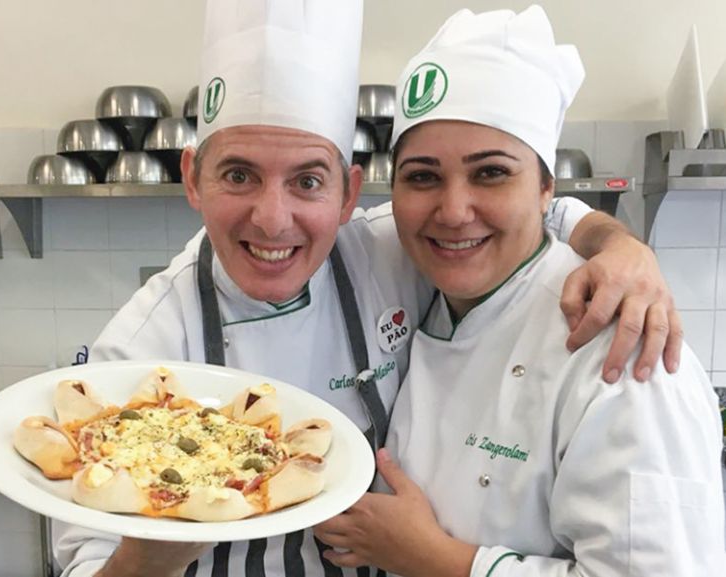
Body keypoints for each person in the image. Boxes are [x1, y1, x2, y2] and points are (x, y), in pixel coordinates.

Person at [54, 2, 685, 577]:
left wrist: (617, 244)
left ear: (349, 193)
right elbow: (84, 562)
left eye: (307, 181)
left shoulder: (394, 250)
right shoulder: (133, 359)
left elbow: (526, 216)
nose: (273, 221)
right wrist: (148, 554)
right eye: (239, 174)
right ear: (193, 179)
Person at [313, 6, 726, 577]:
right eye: (423, 176)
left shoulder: (626, 350)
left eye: (491, 173)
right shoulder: (435, 299)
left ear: (545, 188)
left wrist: (436, 560)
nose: (453, 212)